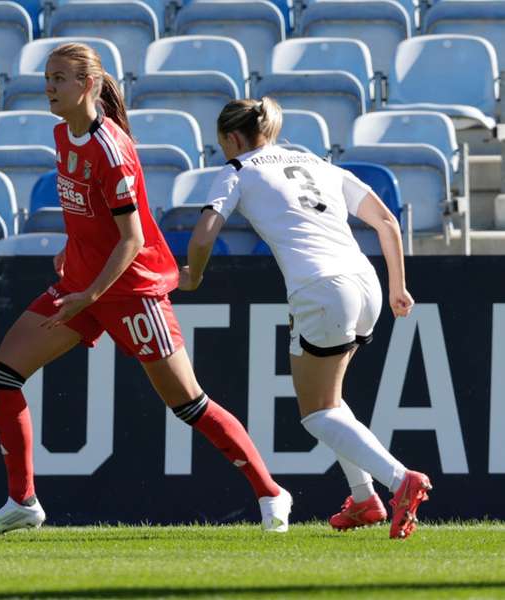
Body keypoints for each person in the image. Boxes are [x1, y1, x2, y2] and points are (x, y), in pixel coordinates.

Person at [0, 43, 291, 535]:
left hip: (130, 288)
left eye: (59, 78)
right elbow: (87, 212)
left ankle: (271, 494)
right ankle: (23, 503)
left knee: (189, 403)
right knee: (2, 376)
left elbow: (133, 237)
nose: (49, 87)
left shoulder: (111, 150)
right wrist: (70, 245)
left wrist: (91, 295)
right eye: (47, 78)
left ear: (88, 85)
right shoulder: (63, 134)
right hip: (83, 284)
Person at [180, 97, 432, 539]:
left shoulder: (237, 169)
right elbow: (388, 222)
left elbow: (203, 236)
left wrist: (194, 276)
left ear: (232, 138)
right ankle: (363, 499)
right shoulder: (316, 162)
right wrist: (398, 287)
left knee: (316, 414)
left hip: (320, 289)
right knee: (331, 402)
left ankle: (400, 481)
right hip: (366, 282)